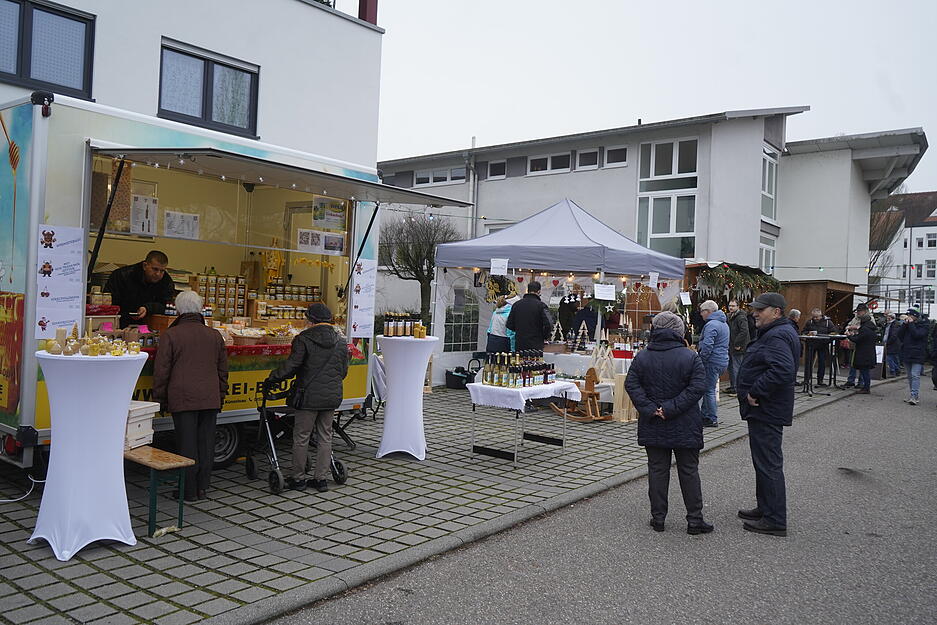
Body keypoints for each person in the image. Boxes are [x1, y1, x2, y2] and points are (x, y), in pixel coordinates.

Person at [625, 311, 712, 535]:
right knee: (689, 471)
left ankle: (658, 519)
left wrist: (652, 409)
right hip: (685, 422)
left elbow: (632, 385)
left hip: (654, 422)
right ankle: (695, 520)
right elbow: (697, 388)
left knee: (657, 470)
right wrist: (670, 409)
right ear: (679, 332)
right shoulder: (691, 356)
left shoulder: (642, 356)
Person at [152, 291, 228, 502]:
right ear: (200, 309)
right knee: (206, 442)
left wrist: (159, 399)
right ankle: (202, 487)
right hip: (209, 396)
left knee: (187, 444)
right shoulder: (214, 335)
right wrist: (220, 394)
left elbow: (162, 371)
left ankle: (188, 490)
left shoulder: (171, 335)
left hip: (183, 397)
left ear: (178, 310)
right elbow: (223, 370)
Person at [736, 292, 800, 537]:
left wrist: (756, 391)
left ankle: (774, 519)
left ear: (776, 311)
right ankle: (765, 508)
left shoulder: (778, 335)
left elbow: (783, 369)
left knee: (768, 464)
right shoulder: (776, 332)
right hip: (766, 409)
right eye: (755, 309)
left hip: (767, 409)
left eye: (760, 310)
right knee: (763, 462)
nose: (755, 314)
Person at [266, 303, 348, 492]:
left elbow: (292, 366)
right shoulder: (341, 341)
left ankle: (299, 479)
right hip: (331, 395)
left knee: (302, 436)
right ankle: (320, 479)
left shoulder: (303, 339)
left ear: (311, 320)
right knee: (325, 436)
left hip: (308, 396)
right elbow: (343, 371)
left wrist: (273, 377)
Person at [104, 250, 175, 328]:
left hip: (148, 325)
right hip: (118, 322)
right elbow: (109, 305)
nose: (158, 274)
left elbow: (167, 306)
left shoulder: (166, 281)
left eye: (162, 271)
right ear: (145, 266)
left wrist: (148, 308)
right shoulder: (121, 276)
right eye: (155, 269)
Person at [697, 300, 729, 427]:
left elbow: (707, 345)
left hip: (712, 361)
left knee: (709, 390)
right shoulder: (724, 324)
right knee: (708, 388)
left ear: (709, 311)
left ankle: (711, 418)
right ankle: (705, 416)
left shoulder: (711, 325)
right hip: (722, 360)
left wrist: (701, 359)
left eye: (702, 312)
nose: (701, 314)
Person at [506, 281, 553, 351]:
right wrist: (545, 336)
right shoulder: (541, 306)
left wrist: (520, 330)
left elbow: (509, 324)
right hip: (536, 343)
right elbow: (549, 324)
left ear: (528, 290)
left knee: (520, 361)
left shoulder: (516, 305)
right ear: (539, 291)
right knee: (535, 361)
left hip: (520, 342)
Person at [895, 308, 929, 405]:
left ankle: (914, 396)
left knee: (915, 375)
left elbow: (916, 335)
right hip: (907, 352)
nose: (908, 317)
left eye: (910, 316)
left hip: (918, 354)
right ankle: (912, 395)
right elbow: (899, 335)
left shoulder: (924, 325)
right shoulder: (908, 325)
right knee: (910, 376)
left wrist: (911, 324)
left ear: (915, 316)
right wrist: (905, 325)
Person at [848, 304, 878, 394]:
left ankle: (865, 387)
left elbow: (858, 339)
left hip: (864, 353)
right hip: (868, 352)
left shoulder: (865, 329)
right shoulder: (870, 328)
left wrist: (849, 336)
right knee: (865, 370)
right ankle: (864, 386)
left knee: (864, 371)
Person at [802, 308, 836, 387]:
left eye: (817, 317)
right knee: (808, 362)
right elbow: (803, 332)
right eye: (814, 317)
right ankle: (807, 379)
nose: (815, 319)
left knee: (822, 363)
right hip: (811, 344)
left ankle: (820, 380)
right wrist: (808, 333)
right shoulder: (809, 322)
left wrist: (827, 339)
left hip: (823, 345)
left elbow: (833, 332)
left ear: (821, 316)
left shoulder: (828, 322)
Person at [725, 299, 749, 396]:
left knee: (737, 367)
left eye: (733, 306)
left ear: (738, 307)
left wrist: (737, 344)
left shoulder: (741, 317)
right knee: (731, 367)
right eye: (730, 305)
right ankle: (733, 386)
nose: (731, 307)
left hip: (739, 347)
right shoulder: (730, 316)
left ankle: (737, 389)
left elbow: (744, 331)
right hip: (731, 346)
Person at [881, 312, 903, 377]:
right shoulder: (888, 324)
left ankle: (894, 371)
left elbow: (894, 335)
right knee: (894, 358)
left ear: (891, 317)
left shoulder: (895, 324)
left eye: (888, 317)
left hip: (892, 344)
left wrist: (887, 342)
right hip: (891, 343)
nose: (886, 318)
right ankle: (897, 370)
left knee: (890, 358)